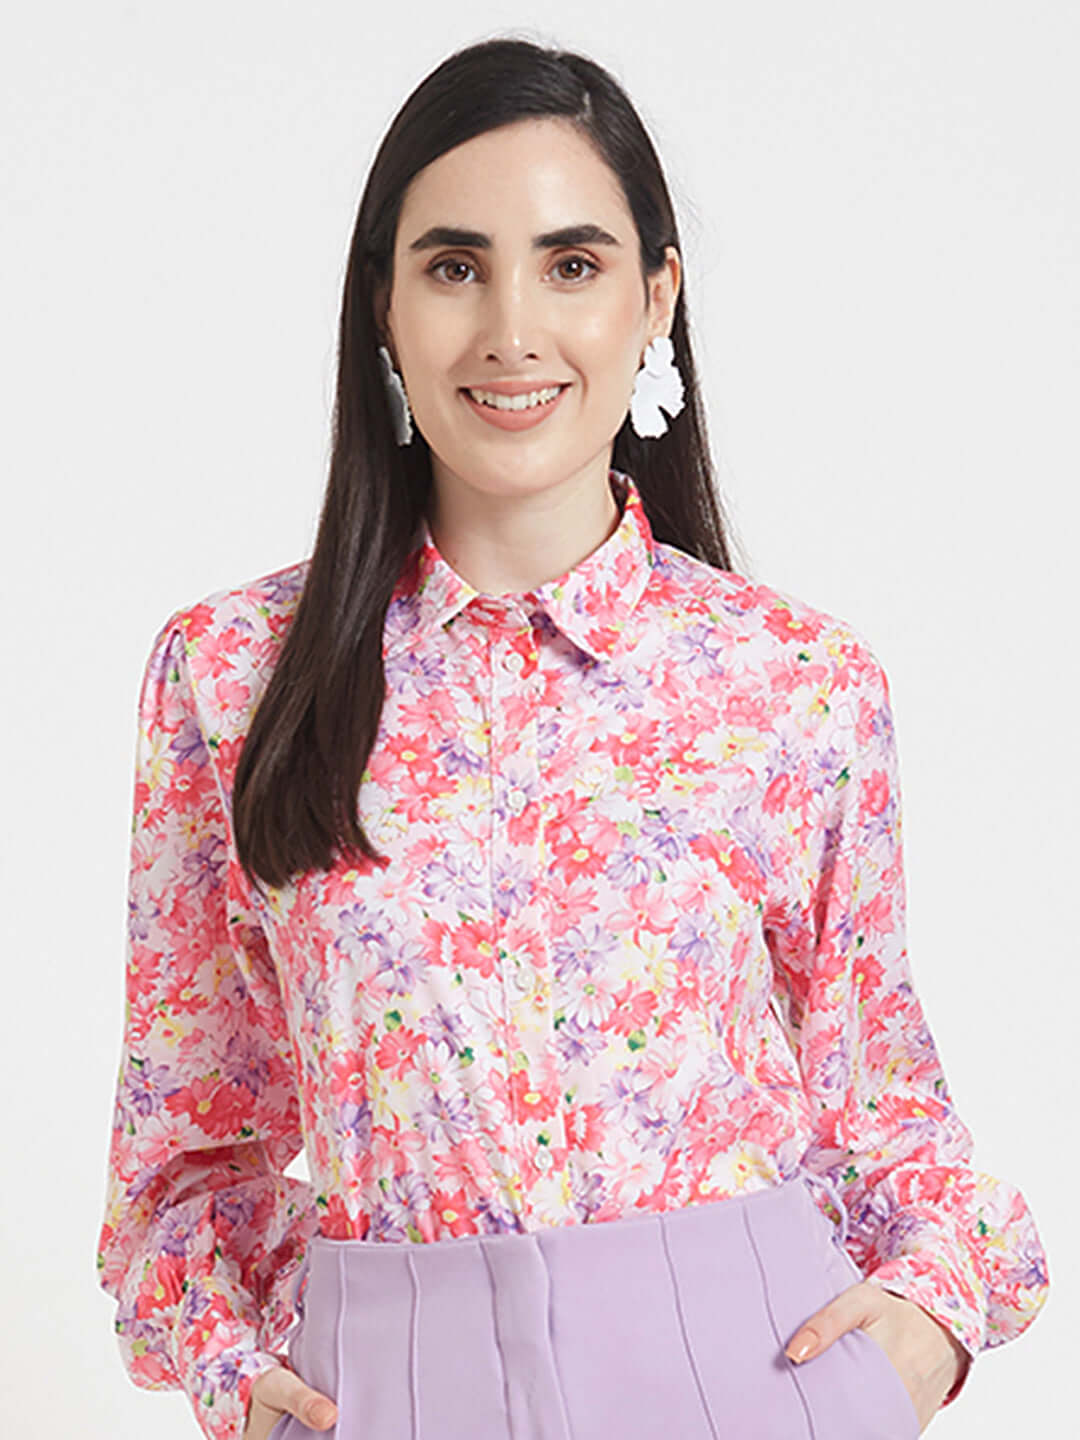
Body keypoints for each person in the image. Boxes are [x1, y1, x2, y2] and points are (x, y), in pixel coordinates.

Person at [95, 36, 1049, 1440]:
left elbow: (885, 1111)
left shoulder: (791, 685)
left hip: (750, 1388)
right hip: (385, 1395)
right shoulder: (230, 677)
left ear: (656, 297)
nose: (512, 330)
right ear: (383, 304)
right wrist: (246, 1383)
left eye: (573, 265)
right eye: (454, 266)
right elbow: (185, 1158)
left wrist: (914, 1343)